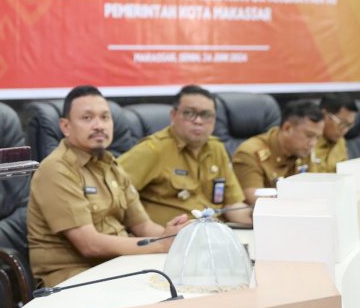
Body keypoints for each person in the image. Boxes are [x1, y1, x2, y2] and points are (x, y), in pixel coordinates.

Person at [27, 85, 188, 288]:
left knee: (185, 281)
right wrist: (159, 245)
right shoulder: (56, 169)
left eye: (105, 117)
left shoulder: (111, 165)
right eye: (87, 118)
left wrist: (174, 236)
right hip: (72, 277)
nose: (99, 125)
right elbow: (89, 244)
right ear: (65, 126)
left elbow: (143, 226)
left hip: (117, 266)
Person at [118, 85, 253, 226]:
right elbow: (114, 192)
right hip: (170, 239)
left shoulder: (217, 148)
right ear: (173, 115)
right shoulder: (153, 150)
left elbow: (232, 205)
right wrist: (142, 228)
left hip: (214, 234)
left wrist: (260, 217)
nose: (198, 121)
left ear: (214, 120)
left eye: (206, 115)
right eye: (189, 113)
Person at [232, 100, 324, 204]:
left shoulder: (304, 150)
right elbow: (258, 203)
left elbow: (315, 192)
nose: (313, 143)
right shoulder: (250, 152)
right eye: (309, 135)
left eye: (317, 137)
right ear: (287, 128)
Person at [312, 94, 357, 173]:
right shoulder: (307, 142)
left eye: (349, 125)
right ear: (324, 114)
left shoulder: (341, 141)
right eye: (342, 123)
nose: (345, 130)